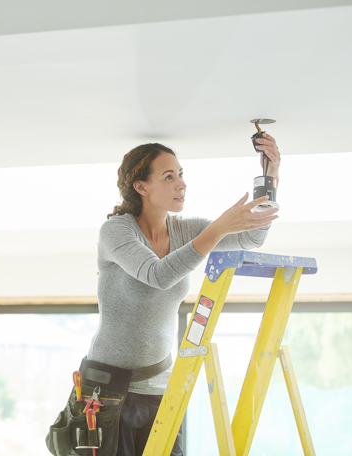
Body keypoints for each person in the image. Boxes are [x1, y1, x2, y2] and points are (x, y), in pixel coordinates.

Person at [86, 135, 281, 456]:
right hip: (107, 390)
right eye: (169, 176)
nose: (182, 184)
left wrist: (270, 177)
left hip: (161, 386)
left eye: (181, 174)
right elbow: (156, 275)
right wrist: (216, 229)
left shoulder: (186, 230)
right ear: (141, 187)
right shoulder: (117, 231)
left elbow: (253, 236)